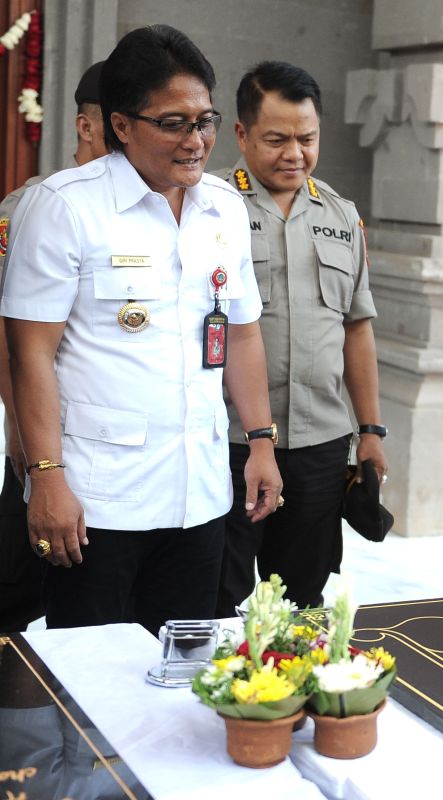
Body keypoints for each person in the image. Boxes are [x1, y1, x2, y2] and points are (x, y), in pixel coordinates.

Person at [0, 25, 282, 633]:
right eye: (173, 123)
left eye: (204, 121)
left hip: (200, 494)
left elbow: (241, 332)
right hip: (97, 503)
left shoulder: (223, 208)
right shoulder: (64, 207)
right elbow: (31, 353)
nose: (196, 141)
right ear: (121, 125)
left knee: (182, 676)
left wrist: (260, 440)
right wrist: (46, 479)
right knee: (90, 683)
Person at [213, 61, 385, 615]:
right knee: (217, 591)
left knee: (305, 597)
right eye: (277, 139)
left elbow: (356, 329)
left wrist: (371, 430)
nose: (295, 154)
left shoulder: (341, 216)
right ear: (241, 135)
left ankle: (292, 699)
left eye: (307, 139)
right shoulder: (210, 208)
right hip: (230, 439)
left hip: (319, 444)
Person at [0, 61, 108, 632]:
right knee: (19, 585)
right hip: (44, 435)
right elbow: (10, 333)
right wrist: (18, 425)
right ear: (87, 127)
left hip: (113, 451)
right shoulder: (34, 206)